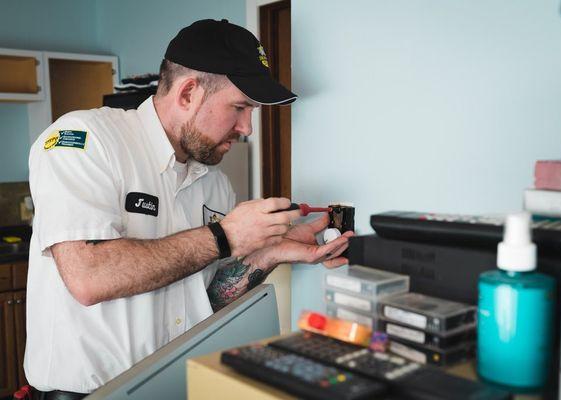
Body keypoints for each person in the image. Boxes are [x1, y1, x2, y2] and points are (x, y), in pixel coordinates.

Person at [24, 19, 352, 399]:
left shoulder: (214, 183)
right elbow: (89, 277)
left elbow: (205, 298)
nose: (248, 128)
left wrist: (272, 251)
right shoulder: (82, 142)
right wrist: (225, 236)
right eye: (240, 107)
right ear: (188, 93)